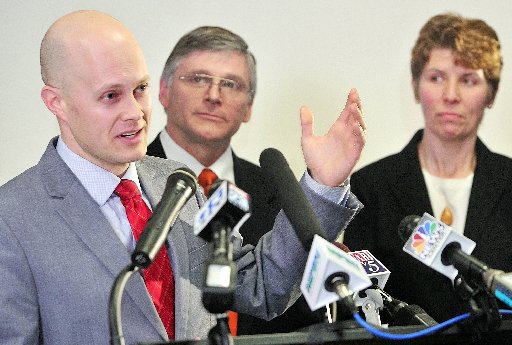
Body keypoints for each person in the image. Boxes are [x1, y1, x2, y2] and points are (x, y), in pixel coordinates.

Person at [0, 10, 367, 345]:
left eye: (139, 89)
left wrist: (322, 182)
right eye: (110, 96)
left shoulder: (177, 182)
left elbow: (261, 287)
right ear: (56, 102)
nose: (136, 113)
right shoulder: (11, 218)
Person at [148, 26, 323, 334]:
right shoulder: (126, 183)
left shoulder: (280, 195)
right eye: (198, 79)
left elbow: (306, 318)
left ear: (248, 108)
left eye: (230, 84)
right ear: (163, 91)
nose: (213, 96)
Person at [343, 13, 512, 324]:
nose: (451, 95)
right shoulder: (373, 187)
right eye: (436, 77)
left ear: (491, 93)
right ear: (416, 87)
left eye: (468, 80)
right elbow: (358, 304)